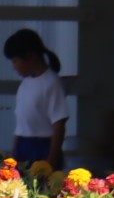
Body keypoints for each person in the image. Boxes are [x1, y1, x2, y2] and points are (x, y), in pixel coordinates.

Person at [5, 28, 68, 170]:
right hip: (23, 146)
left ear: (31, 56)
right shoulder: (25, 84)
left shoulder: (52, 82)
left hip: (43, 148)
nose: (14, 67)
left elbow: (59, 124)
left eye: (16, 61)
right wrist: (14, 155)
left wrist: (51, 162)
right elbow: (21, 126)